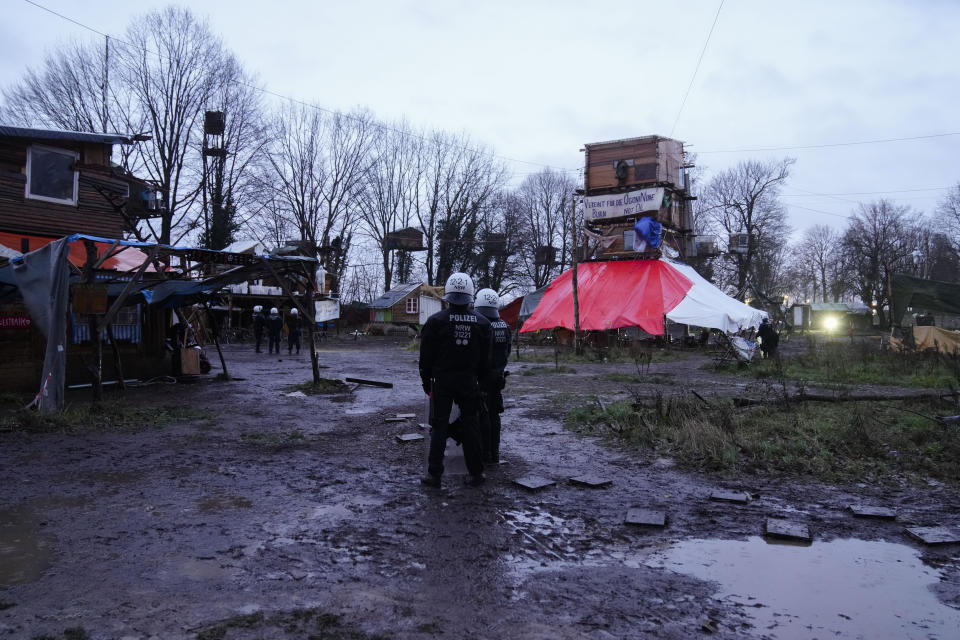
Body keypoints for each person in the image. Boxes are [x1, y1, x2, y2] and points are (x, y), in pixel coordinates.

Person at [419, 272, 492, 488]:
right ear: (471, 295)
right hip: (469, 382)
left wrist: (426, 380)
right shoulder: (483, 323)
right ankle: (476, 473)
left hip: (441, 382)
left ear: (448, 296)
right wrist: (483, 385)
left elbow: (426, 357)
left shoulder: (435, 322)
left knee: (439, 426)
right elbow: (485, 361)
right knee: (471, 426)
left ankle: (434, 475)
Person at [473, 288, 511, 464]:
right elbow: (507, 352)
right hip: (498, 378)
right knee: (495, 416)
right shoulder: (505, 326)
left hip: (482, 379)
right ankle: (495, 454)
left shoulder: (481, 325)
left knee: (482, 415)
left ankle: (484, 454)